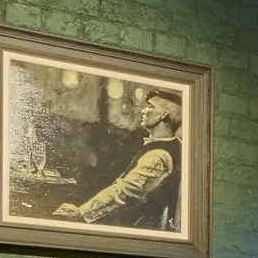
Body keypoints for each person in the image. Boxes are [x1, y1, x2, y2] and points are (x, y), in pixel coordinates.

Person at [54, 88, 184, 231]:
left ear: (163, 115)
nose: (143, 111)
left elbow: (124, 191)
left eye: (150, 106)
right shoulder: (175, 145)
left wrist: (81, 212)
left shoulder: (158, 155)